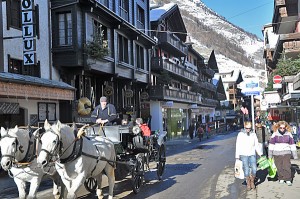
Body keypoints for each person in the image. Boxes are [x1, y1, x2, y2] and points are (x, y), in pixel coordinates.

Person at [268, 121, 298, 186]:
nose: (282, 129)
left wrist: (294, 154)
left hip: (286, 152)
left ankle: (288, 179)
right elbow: (271, 145)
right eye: (280, 128)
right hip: (277, 153)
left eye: (283, 128)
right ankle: (281, 177)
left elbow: (292, 144)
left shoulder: (289, 134)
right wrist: (270, 155)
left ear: (286, 127)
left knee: (286, 166)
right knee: (279, 166)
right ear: (278, 127)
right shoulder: (275, 134)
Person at [235, 121, 262, 191]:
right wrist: (237, 156)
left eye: (249, 128)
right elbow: (238, 145)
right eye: (247, 128)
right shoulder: (240, 134)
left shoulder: (253, 134)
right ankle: (248, 183)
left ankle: (252, 180)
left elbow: (256, 144)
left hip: (252, 153)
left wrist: (260, 153)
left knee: (254, 169)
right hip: (243, 154)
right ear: (244, 127)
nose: (248, 129)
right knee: (246, 170)